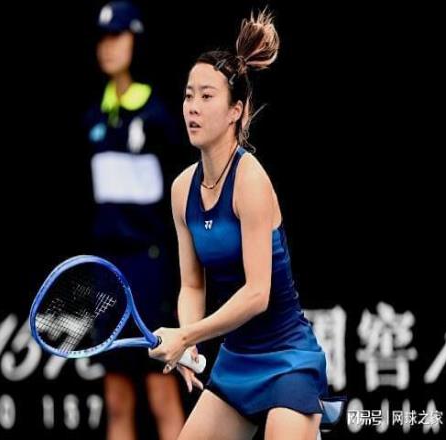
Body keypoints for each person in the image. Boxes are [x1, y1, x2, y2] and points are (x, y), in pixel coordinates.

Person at [149, 9, 344, 439]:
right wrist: (188, 345)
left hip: (287, 359)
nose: (192, 108)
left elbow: (257, 294)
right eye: (188, 96)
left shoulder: (250, 181)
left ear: (236, 110)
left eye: (206, 97)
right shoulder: (182, 189)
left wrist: (186, 334)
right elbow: (192, 285)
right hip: (237, 361)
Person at [84, 2, 185, 439]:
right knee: (117, 397)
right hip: (106, 269)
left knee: (161, 391)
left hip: (151, 266)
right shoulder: (92, 117)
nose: (108, 47)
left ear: (136, 41)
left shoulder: (161, 115)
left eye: (118, 36)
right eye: (102, 38)